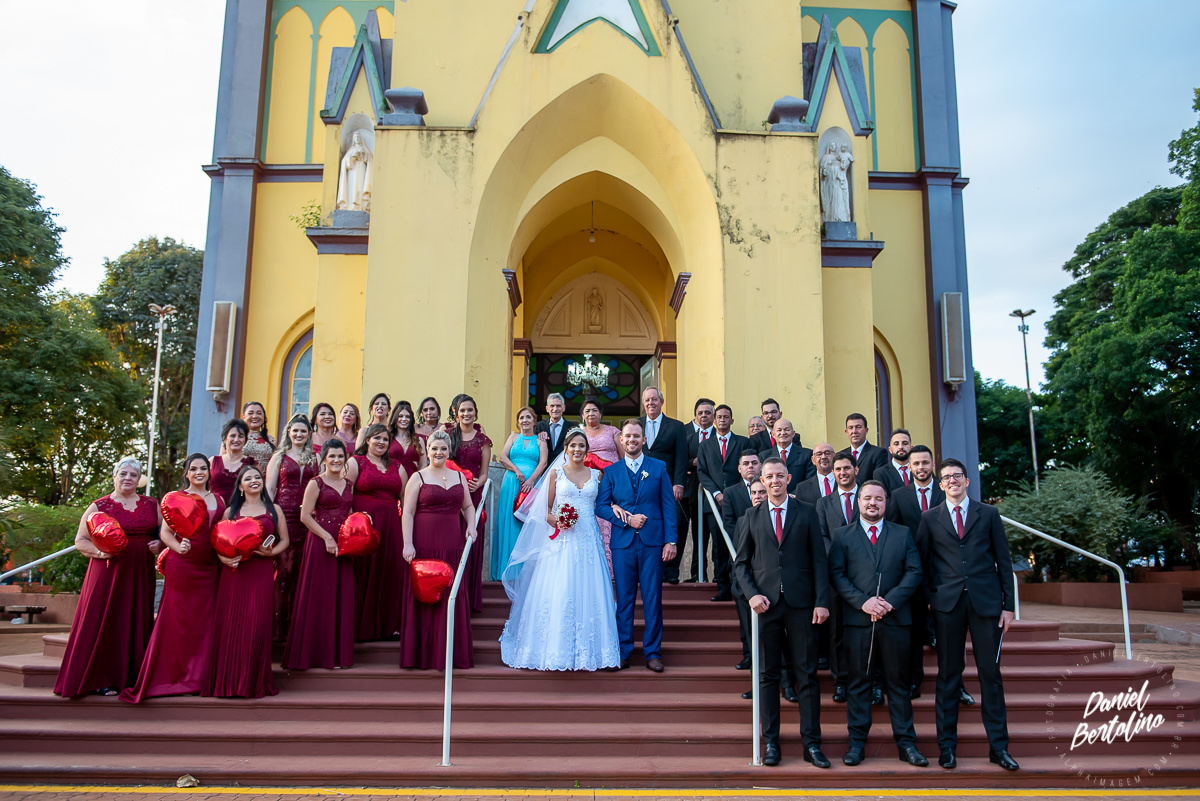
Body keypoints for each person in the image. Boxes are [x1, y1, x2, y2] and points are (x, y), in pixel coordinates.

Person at [916, 458, 1018, 772]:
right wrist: (930, 600)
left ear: (967, 480)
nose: (952, 481)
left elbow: (1003, 560)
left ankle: (999, 748)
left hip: (987, 603)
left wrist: (1009, 606)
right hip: (947, 605)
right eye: (946, 477)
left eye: (957, 476)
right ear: (940, 484)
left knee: (990, 674)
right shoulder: (929, 518)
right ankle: (947, 748)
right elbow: (922, 563)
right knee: (949, 675)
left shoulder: (988, 514)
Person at [733, 457, 830, 768]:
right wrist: (752, 595)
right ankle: (771, 743)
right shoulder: (751, 516)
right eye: (769, 476)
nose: (775, 481)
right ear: (761, 480)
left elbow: (819, 560)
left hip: (803, 605)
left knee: (807, 675)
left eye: (779, 475)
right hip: (766, 606)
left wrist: (822, 601)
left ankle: (812, 745)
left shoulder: (807, 511)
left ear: (788, 478)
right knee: (767, 676)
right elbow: (741, 564)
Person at [499, 429, 620, 670]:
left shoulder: (597, 475)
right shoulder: (556, 474)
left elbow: (603, 505)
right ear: (565, 448)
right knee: (560, 586)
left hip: (589, 539)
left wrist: (615, 508)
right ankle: (555, 650)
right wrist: (555, 520)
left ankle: (591, 651)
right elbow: (543, 509)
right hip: (562, 540)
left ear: (587, 450)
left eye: (581, 446)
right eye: (573, 445)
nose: (577, 449)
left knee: (590, 588)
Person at [827, 481, 927, 767]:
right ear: (858, 501)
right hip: (858, 622)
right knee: (859, 684)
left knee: (898, 684)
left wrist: (889, 602)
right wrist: (863, 602)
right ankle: (856, 744)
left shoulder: (902, 533)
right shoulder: (842, 536)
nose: (873, 503)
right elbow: (837, 575)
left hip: (895, 620)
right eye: (868, 498)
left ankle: (906, 744)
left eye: (879, 499)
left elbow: (914, 571)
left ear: (886, 503)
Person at [55, 457, 162, 698]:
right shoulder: (99, 506)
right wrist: (100, 552)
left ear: (139, 479)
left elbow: (163, 533)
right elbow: (80, 541)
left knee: (133, 620)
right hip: (107, 571)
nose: (128, 478)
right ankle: (99, 679)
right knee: (105, 620)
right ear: (114, 477)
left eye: (133, 475)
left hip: (139, 573)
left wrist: (160, 543)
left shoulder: (151, 504)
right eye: (123, 474)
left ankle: (132, 678)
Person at [121, 454, 224, 703]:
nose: (199, 472)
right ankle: (171, 677)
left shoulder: (220, 499)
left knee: (205, 623)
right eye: (193, 469)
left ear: (209, 472)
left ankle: (199, 678)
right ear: (186, 473)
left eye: (203, 468)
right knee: (177, 621)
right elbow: (166, 533)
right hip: (183, 565)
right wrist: (178, 548)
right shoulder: (177, 497)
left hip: (211, 567)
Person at [595, 419, 677, 672]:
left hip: (653, 542)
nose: (632, 440)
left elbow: (668, 506)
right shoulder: (611, 472)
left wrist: (671, 540)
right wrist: (624, 518)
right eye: (628, 436)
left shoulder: (658, 467)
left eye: (636, 436)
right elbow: (600, 506)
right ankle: (623, 651)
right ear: (621, 440)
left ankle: (653, 653)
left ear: (644, 440)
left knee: (653, 598)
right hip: (623, 543)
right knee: (624, 599)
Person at [204, 464, 289, 698]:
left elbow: (284, 540)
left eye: (257, 477)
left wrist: (271, 553)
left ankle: (251, 682)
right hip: (234, 574)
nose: (254, 480)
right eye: (248, 478)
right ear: (240, 486)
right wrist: (224, 558)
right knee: (231, 625)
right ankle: (228, 682)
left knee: (256, 624)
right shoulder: (230, 512)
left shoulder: (274, 510)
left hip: (261, 572)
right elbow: (217, 541)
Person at [399, 430, 478, 670]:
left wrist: (471, 526)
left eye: (443, 448)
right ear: (427, 450)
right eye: (434, 448)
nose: (439, 452)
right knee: (426, 592)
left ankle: (450, 652)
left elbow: (468, 507)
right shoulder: (417, 477)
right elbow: (408, 512)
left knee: (451, 591)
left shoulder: (459, 477)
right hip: (424, 542)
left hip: (453, 542)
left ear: (449, 450)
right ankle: (423, 654)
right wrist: (408, 543)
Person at [283, 438, 356, 670]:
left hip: (344, 546)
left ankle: (336, 655)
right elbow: (305, 516)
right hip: (320, 543)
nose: (336, 460)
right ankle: (315, 655)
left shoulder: (349, 484)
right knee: (320, 596)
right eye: (331, 456)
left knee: (340, 596)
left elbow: (349, 513)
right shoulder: (316, 483)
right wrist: (326, 537)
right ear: (323, 458)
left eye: (340, 456)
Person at [347, 423, 408, 641]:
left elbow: (405, 500)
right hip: (364, 527)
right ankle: (359, 628)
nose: (381, 442)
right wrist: (353, 524)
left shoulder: (397, 466)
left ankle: (388, 626)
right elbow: (346, 494)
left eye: (385, 439)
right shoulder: (356, 462)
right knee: (363, 571)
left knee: (390, 571)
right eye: (377, 438)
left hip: (391, 526)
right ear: (367, 440)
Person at [265, 413, 318, 641]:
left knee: (301, 571)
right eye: (295, 430)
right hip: (284, 515)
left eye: (303, 431)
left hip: (307, 517)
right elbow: (270, 489)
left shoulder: (315, 457)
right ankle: (278, 625)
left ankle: (297, 625)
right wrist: (270, 519)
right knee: (283, 571)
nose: (299, 434)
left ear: (308, 434)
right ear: (288, 432)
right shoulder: (279, 457)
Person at [814, 450, 862, 704]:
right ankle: (840, 681)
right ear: (832, 474)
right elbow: (822, 536)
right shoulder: (824, 503)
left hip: (865, 574)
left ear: (856, 470)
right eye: (838, 469)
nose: (843, 473)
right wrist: (838, 560)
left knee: (866, 630)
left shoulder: (868, 497)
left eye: (847, 468)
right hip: (834, 575)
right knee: (837, 631)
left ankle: (871, 681)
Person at [697, 403, 749, 601]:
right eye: (719, 417)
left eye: (726, 417)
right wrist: (717, 493)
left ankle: (741, 586)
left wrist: (735, 493)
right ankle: (723, 587)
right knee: (719, 546)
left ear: (732, 420)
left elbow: (748, 469)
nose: (722, 420)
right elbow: (702, 472)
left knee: (741, 543)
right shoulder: (705, 445)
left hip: (740, 502)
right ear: (714, 420)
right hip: (714, 504)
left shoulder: (743, 442)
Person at [719, 450, 762, 673]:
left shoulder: (769, 489)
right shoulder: (731, 492)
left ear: (761, 465)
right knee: (745, 617)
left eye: (754, 463)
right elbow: (729, 524)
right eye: (746, 463)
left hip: (766, 563)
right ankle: (749, 655)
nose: (750, 466)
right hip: (741, 558)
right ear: (739, 468)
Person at [493, 406, 548, 580]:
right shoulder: (512, 437)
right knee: (508, 523)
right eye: (521, 418)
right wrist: (516, 470)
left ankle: (525, 572)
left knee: (527, 524)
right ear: (518, 422)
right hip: (511, 483)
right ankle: (505, 570)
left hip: (531, 486)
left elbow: (543, 463)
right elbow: (503, 457)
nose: (525, 420)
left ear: (534, 420)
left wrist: (531, 480)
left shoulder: (540, 441)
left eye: (528, 417)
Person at [448, 394, 491, 613]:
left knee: (470, 543)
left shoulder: (483, 440)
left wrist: (477, 484)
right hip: (451, 495)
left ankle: (469, 599)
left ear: (475, 412)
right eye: (462, 410)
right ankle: (452, 595)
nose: (466, 414)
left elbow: (484, 473)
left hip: (473, 495)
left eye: (470, 410)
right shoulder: (448, 436)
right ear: (456, 413)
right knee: (452, 541)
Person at [668, 398, 715, 585]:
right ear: (695, 414)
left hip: (707, 493)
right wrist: (691, 463)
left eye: (708, 413)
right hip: (685, 490)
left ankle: (698, 574)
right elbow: (676, 459)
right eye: (700, 413)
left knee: (701, 534)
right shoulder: (683, 431)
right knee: (678, 530)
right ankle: (672, 572)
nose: (704, 416)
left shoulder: (718, 434)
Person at [579, 397, 621, 571]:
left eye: (594, 410)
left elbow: (624, 456)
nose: (591, 413)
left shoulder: (612, 431)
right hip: (588, 483)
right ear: (582, 415)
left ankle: (612, 568)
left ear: (601, 413)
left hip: (612, 481)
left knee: (610, 519)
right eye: (587, 411)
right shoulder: (579, 433)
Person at [757, 418, 814, 494]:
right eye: (779, 430)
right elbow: (762, 481)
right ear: (773, 434)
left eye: (786, 430)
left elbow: (809, 481)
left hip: (798, 497)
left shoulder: (806, 454)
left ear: (793, 433)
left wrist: (793, 495)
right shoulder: (764, 456)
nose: (783, 433)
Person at [210, 418, 254, 504]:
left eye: (240, 436)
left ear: (245, 440)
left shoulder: (252, 464)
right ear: (224, 438)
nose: (236, 439)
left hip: (241, 509)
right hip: (215, 508)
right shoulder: (213, 461)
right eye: (232, 436)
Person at [534, 392, 578, 463]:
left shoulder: (573, 428)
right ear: (547, 408)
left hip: (565, 466)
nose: (555, 409)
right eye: (552, 406)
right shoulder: (538, 427)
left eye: (558, 406)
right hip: (544, 467)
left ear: (563, 408)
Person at [388, 400, 427, 478]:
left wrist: (417, 480)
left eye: (407, 417)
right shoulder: (388, 438)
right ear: (395, 418)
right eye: (400, 416)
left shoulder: (419, 440)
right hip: (391, 479)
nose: (404, 419)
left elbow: (423, 465)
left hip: (413, 480)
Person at [844, 413, 888, 483]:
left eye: (858, 427)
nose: (854, 431)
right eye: (850, 428)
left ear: (866, 430)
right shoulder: (841, 455)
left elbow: (879, 482)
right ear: (846, 432)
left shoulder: (878, 453)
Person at [876, 428, 913, 496]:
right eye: (896, 444)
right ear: (890, 449)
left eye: (905, 443)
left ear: (911, 448)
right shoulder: (881, 473)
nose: (900, 447)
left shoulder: (919, 470)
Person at [241, 401, 275, 466]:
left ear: (264, 417)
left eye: (259, 413)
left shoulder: (271, 440)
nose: (255, 416)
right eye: (250, 413)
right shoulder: (235, 438)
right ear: (243, 417)